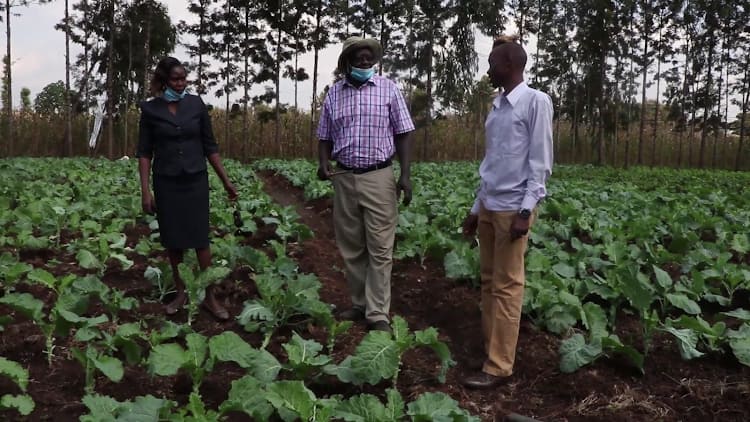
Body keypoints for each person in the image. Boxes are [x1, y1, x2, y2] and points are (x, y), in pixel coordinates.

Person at [460, 39, 553, 388]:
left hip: (514, 207)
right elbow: (492, 162)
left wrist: (526, 210)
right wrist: (475, 208)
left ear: (511, 65)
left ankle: (499, 366)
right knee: (488, 282)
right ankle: (490, 352)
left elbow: (540, 163)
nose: (488, 69)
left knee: (507, 287)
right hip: (489, 204)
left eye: (493, 63)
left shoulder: (535, 102)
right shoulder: (497, 106)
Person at [316, 37, 415, 333]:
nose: (364, 61)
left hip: (379, 176)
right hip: (344, 177)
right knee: (352, 246)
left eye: (368, 57)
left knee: (381, 248)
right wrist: (323, 162)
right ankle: (359, 304)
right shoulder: (335, 93)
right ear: (347, 61)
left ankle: (378, 313)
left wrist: (405, 174)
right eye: (358, 57)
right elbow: (324, 136)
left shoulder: (388, 89)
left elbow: (404, 132)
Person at [136, 56, 238, 320]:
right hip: (166, 181)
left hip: (195, 179)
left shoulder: (195, 104)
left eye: (183, 79)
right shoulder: (150, 110)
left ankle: (209, 296)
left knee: (200, 239)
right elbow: (144, 153)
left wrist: (225, 180)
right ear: (163, 81)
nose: (181, 84)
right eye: (175, 79)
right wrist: (145, 190)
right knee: (173, 241)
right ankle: (181, 292)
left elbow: (210, 146)